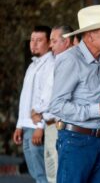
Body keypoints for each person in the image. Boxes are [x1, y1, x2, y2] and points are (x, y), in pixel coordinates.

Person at [48, 5, 100, 183]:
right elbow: (56, 106)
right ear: (90, 34)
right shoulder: (70, 60)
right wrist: (96, 110)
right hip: (75, 141)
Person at [30, 25, 74, 183]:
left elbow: (58, 97)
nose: (50, 45)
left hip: (59, 125)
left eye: (54, 41)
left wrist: (39, 112)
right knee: (51, 173)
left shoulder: (70, 63)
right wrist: (38, 113)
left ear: (66, 41)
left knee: (58, 172)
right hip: (48, 124)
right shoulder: (57, 62)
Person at [12, 25, 52, 183]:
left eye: (39, 40)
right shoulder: (32, 65)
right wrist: (19, 125)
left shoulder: (51, 64)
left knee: (43, 173)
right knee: (35, 173)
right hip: (27, 125)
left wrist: (40, 126)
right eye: (32, 40)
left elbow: (47, 98)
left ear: (49, 43)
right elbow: (25, 98)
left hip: (37, 126)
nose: (34, 44)